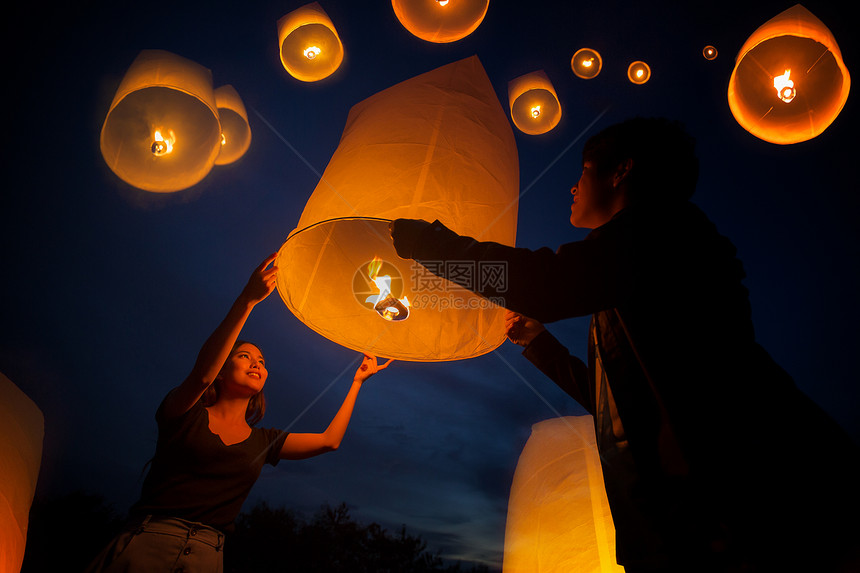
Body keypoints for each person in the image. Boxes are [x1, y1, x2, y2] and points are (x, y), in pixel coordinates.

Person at [390, 117, 860, 572]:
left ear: (622, 170)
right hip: (689, 517)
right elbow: (615, 408)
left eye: (583, 172)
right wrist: (540, 342)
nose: (573, 187)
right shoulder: (635, 267)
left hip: (746, 501)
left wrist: (426, 243)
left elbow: (540, 282)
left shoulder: (659, 233)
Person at [86, 253, 392, 572]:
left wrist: (358, 382)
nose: (256, 363)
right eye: (244, 356)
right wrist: (247, 300)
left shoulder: (264, 441)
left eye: (261, 361)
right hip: (146, 543)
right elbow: (202, 375)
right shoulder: (183, 413)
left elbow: (330, 441)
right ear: (221, 369)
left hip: (207, 556)